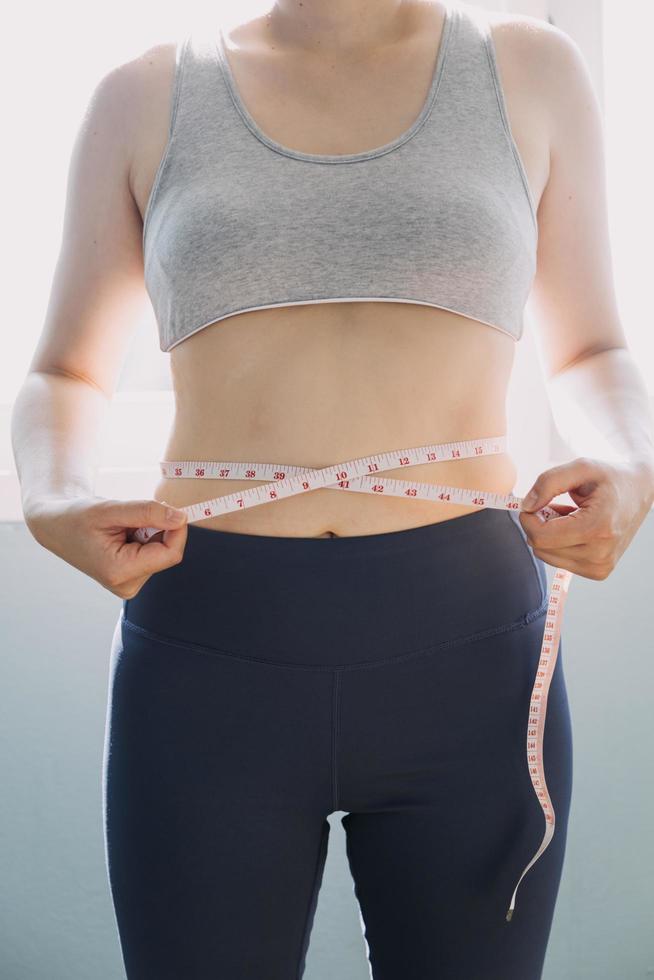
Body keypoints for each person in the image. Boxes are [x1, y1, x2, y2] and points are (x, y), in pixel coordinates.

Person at [11, 1, 654, 977]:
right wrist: (55, 498)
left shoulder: (531, 67)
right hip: (210, 650)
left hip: (474, 651)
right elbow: (65, 369)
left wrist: (631, 464)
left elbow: (596, 346)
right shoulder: (144, 91)